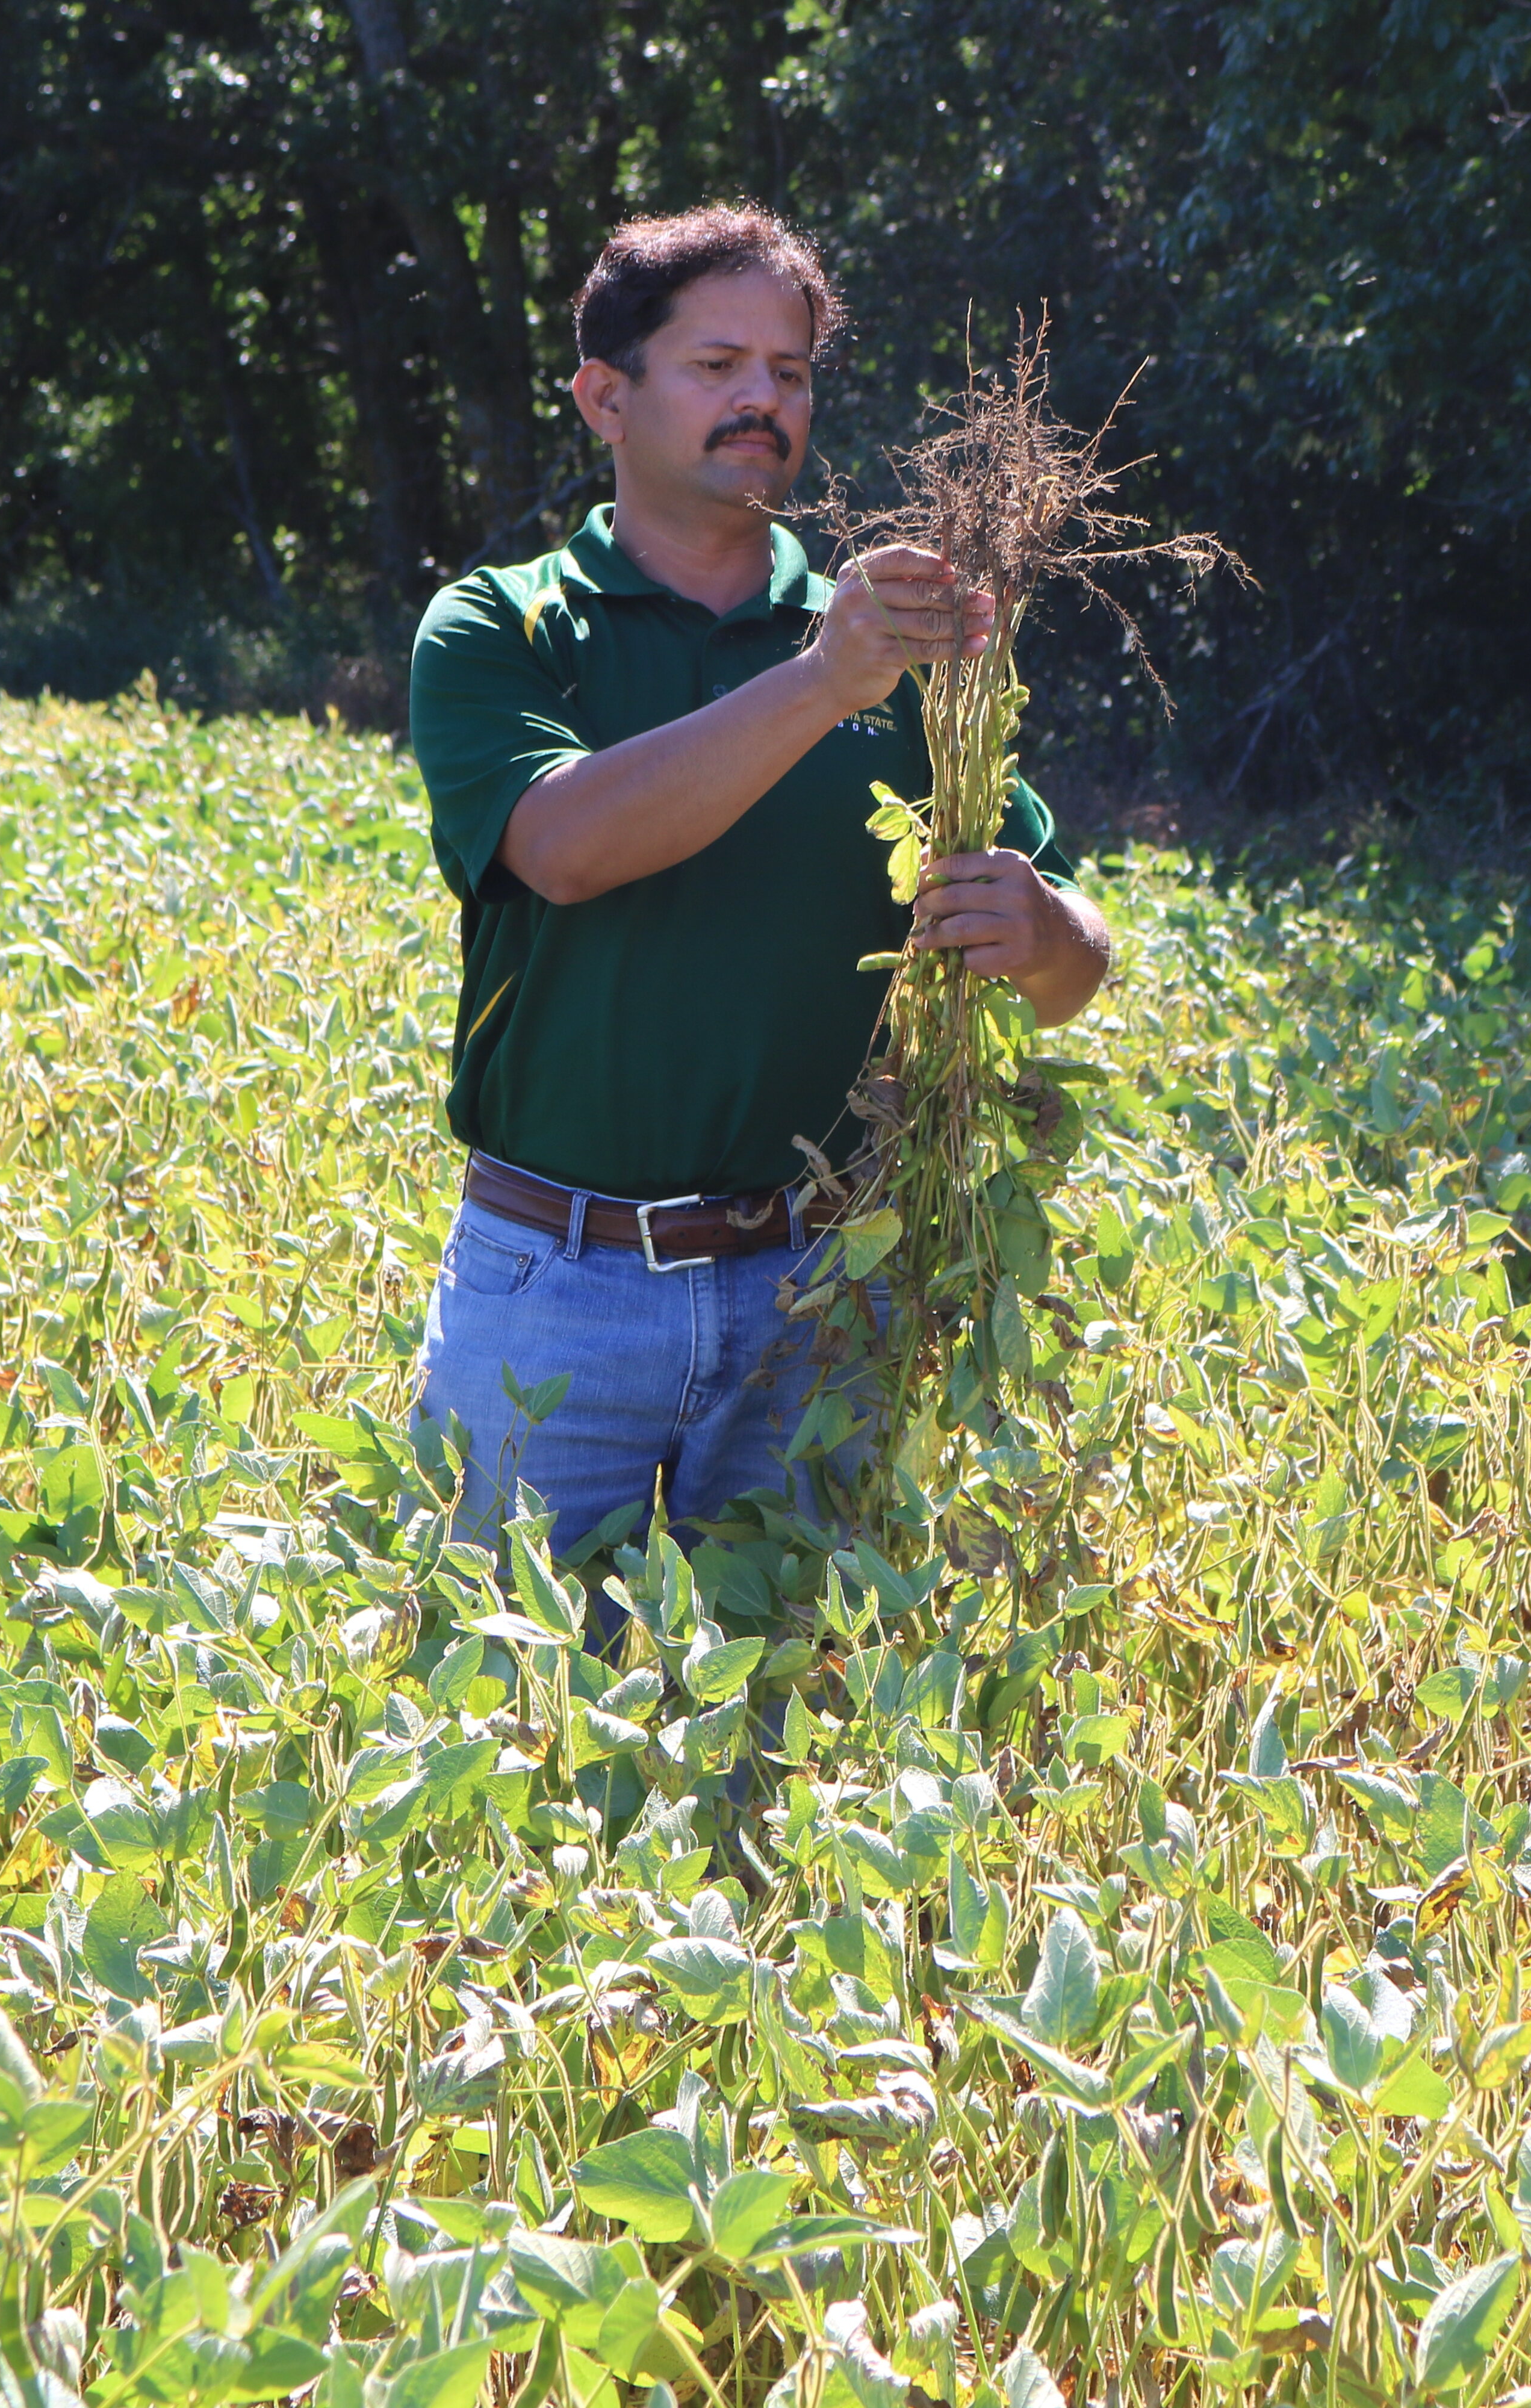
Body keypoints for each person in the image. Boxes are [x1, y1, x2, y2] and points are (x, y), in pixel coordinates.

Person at [405, 202, 1111, 1563]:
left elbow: (1077, 956)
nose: (762, 400)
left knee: (789, 1717)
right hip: (553, 1283)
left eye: (788, 372)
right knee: (502, 1721)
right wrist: (819, 684)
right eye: (715, 365)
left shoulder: (889, 642)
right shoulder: (505, 625)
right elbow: (563, 846)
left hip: (824, 1290)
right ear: (605, 397)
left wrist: (1036, 924)